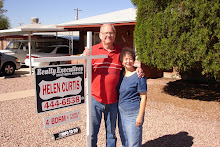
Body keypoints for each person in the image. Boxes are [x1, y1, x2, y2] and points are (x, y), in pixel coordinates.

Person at [83, 24, 144, 147]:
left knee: (111, 134)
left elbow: (128, 65)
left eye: (111, 33)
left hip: (113, 101)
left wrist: (138, 68)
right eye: (105, 33)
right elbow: (85, 74)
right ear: (100, 35)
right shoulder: (92, 51)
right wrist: (85, 59)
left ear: (115, 35)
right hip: (95, 99)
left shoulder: (119, 52)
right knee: (92, 133)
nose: (108, 36)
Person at [117, 47, 147, 147]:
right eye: (126, 59)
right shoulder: (121, 74)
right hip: (121, 113)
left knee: (133, 142)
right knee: (124, 139)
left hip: (133, 114)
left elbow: (143, 97)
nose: (128, 61)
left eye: (130, 58)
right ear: (122, 61)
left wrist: (140, 116)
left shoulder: (139, 76)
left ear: (134, 60)